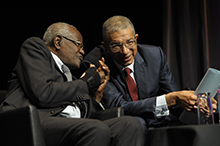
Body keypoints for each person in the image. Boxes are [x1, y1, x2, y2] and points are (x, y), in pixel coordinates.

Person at [0, 22, 144, 146]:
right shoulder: (36, 48)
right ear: (58, 41)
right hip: (35, 121)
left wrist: (97, 94)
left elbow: (84, 115)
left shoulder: (71, 76)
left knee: (130, 125)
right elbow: (43, 93)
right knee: (95, 128)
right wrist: (87, 82)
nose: (82, 51)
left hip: (71, 124)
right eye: (78, 45)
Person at [82, 16, 217, 134]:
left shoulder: (154, 56)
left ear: (136, 38)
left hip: (158, 120)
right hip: (126, 125)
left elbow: (175, 101)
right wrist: (171, 99)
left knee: (194, 131)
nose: (125, 51)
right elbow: (119, 107)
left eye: (130, 42)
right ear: (105, 47)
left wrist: (195, 103)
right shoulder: (97, 64)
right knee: (136, 124)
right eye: (116, 46)